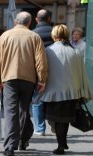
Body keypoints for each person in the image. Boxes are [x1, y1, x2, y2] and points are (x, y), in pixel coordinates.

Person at [0, 11, 48, 156]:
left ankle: (10, 145)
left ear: (16, 21)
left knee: (10, 111)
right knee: (24, 110)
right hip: (28, 79)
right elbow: (40, 61)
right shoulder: (34, 37)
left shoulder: (5, 36)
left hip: (9, 78)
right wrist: (42, 79)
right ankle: (23, 141)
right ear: (30, 23)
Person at [39, 24, 92, 155]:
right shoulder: (75, 51)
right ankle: (62, 143)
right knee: (64, 119)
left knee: (56, 119)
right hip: (71, 91)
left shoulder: (48, 50)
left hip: (53, 91)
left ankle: (61, 145)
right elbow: (81, 73)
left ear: (54, 35)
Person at [31, 9, 54, 137]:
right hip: (54, 69)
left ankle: (40, 128)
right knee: (53, 98)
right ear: (49, 19)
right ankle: (54, 125)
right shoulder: (54, 33)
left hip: (36, 71)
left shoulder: (33, 34)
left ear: (36, 19)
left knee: (37, 99)